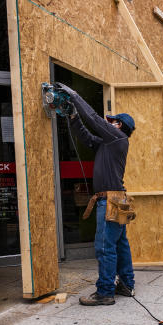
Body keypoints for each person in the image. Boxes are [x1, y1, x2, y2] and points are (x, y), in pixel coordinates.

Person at [57, 82, 136, 306]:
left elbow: (93, 119)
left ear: (119, 125)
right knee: (120, 244)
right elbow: (85, 134)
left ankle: (105, 293)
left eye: (111, 121)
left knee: (104, 246)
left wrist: (74, 94)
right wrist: (73, 116)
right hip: (117, 198)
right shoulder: (107, 144)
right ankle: (127, 285)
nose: (107, 123)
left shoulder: (118, 139)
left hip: (111, 200)